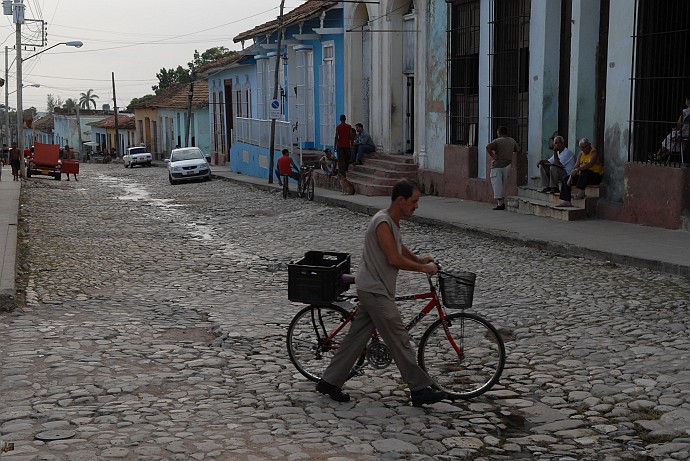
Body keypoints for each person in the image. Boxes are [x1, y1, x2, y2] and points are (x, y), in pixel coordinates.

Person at [316, 179, 448, 407]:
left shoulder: (392, 222)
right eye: (414, 202)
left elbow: (399, 247)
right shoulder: (382, 222)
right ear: (401, 200)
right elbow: (394, 258)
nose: (416, 206)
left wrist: (418, 258)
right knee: (398, 337)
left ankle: (329, 381)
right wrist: (423, 268)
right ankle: (419, 389)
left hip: (374, 288)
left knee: (356, 338)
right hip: (375, 290)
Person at [557, 138, 602, 207]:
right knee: (565, 178)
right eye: (582, 148)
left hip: (595, 176)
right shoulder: (581, 154)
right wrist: (570, 177)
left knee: (585, 170)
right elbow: (575, 166)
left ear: (589, 145)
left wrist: (578, 169)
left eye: (586, 146)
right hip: (583, 178)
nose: (584, 149)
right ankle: (566, 201)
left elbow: (590, 164)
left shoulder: (594, 152)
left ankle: (581, 192)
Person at [486, 126, 521, 210]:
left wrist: (492, 155)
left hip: (497, 165)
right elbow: (517, 149)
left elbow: (488, 146)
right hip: (507, 165)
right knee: (503, 185)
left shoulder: (497, 141)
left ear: (499, 133)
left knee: (497, 185)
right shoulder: (512, 140)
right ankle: (501, 203)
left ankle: (500, 204)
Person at [649, 96, 690, 162]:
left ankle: (657, 155)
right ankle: (657, 157)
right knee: (672, 146)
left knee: (669, 140)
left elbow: (679, 124)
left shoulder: (685, 112)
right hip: (687, 135)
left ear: (688, 100)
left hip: (680, 133)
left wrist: (675, 129)